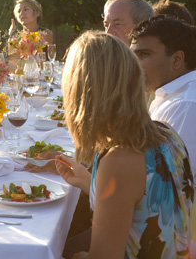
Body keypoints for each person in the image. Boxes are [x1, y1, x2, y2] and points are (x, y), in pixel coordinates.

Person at [55, 31, 193, 259]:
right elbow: (143, 202)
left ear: (80, 91)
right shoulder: (165, 132)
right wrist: (88, 182)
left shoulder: (119, 159)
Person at [129, 15, 196, 170]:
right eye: (132, 56)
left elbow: (170, 179)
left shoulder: (185, 105)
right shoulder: (172, 95)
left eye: (144, 54)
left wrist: (89, 182)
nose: (133, 64)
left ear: (177, 59)